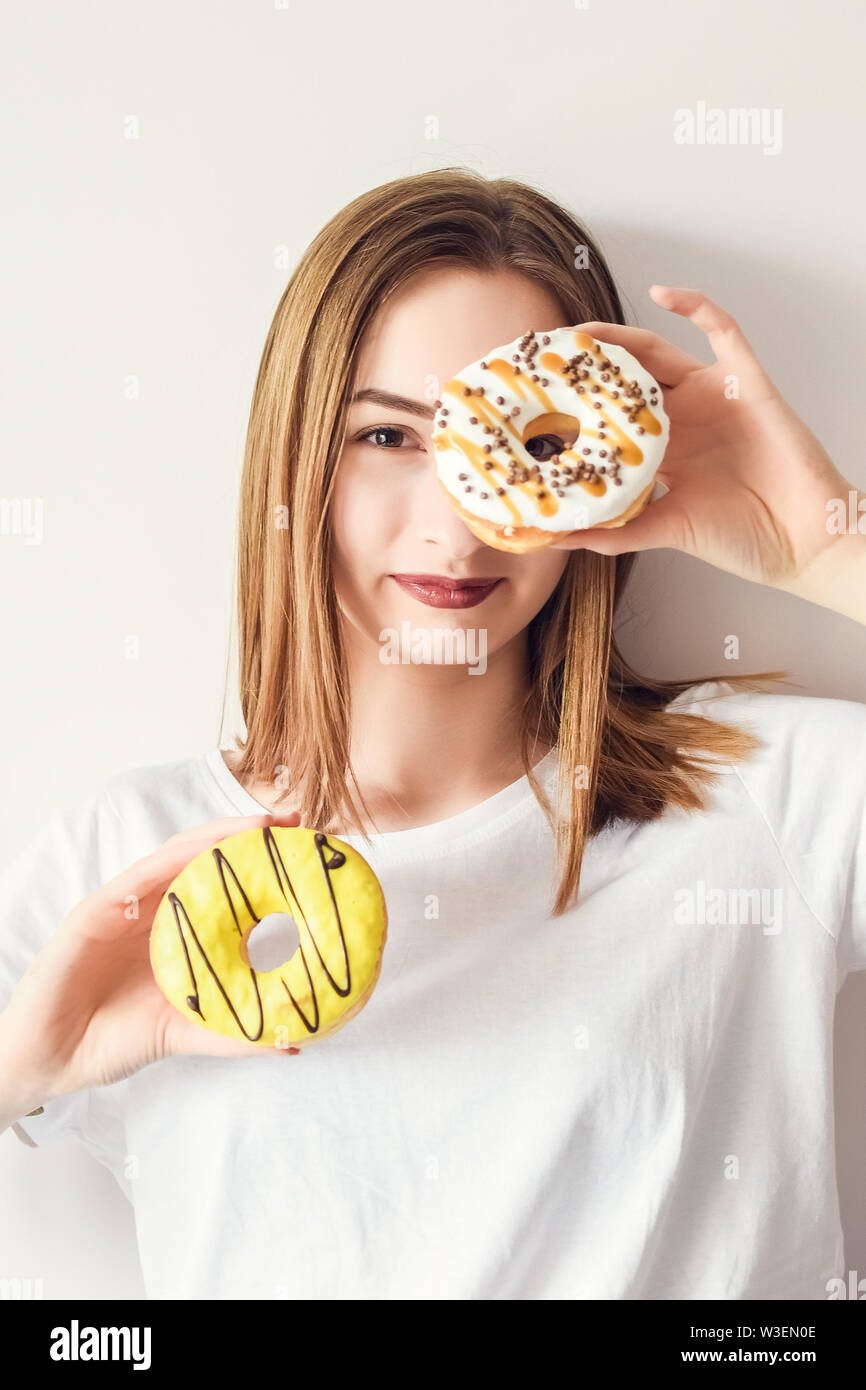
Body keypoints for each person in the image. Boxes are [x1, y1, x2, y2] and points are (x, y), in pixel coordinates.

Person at [1, 168, 864, 1300]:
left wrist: (823, 542)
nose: (459, 519)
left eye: (520, 445)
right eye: (388, 437)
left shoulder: (775, 799)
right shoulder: (127, 861)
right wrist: (19, 1070)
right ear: (296, 457)